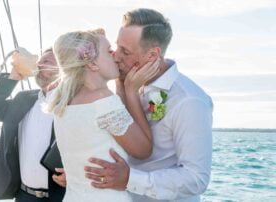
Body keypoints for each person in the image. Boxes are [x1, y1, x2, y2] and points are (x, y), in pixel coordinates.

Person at [84, 8, 213, 202]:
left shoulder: (189, 101)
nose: (116, 56)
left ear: (152, 55)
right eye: (117, 47)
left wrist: (130, 179)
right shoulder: (128, 83)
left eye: (125, 51)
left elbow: (196, 179)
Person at [47, 28, 157, 202]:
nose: (115, 55)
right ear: (91, 64)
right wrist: (132, 92)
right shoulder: (103, 100)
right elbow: (144, 150)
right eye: (109, 51)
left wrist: (120, 84)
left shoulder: (64, 102)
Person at [0, 48, 66, 202]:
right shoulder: (23, 99)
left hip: (62, 197)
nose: (39, 65)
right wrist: (14, 77)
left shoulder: (73, 102)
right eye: (39, 62)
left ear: (63, 68)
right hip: (24, 196)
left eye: (46, 61)